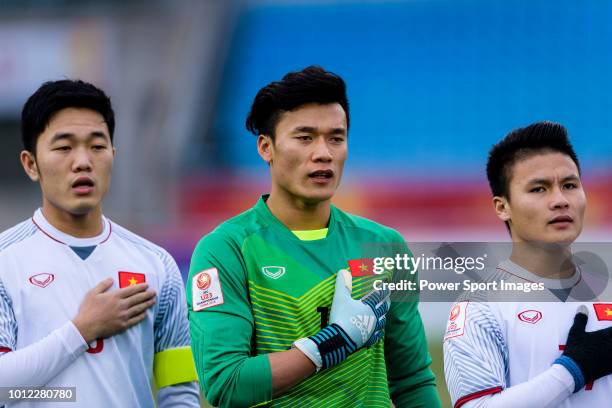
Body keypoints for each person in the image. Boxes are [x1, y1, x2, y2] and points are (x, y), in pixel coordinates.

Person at [187, 66, 440, 407]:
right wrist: (332, 343)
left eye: (336, 138)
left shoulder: (385, 246)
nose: (324, 153)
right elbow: (226, 384)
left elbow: (412, 381)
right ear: (266, 147)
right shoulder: (226, 249)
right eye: (305, 138)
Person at [0, 80, 199, 407]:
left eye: (96, 146)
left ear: (112, 155)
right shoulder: (6, 261)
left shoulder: (156, 264)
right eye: (64, 147)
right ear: (31, 164)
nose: (82, 161)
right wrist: (83, 329)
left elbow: (178, 387)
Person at [443, 121, 612, 407]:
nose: (560, 200)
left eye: (569, 185)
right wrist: (573, 370)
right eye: (539, 189)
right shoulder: (479, 309)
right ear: (502, 206)